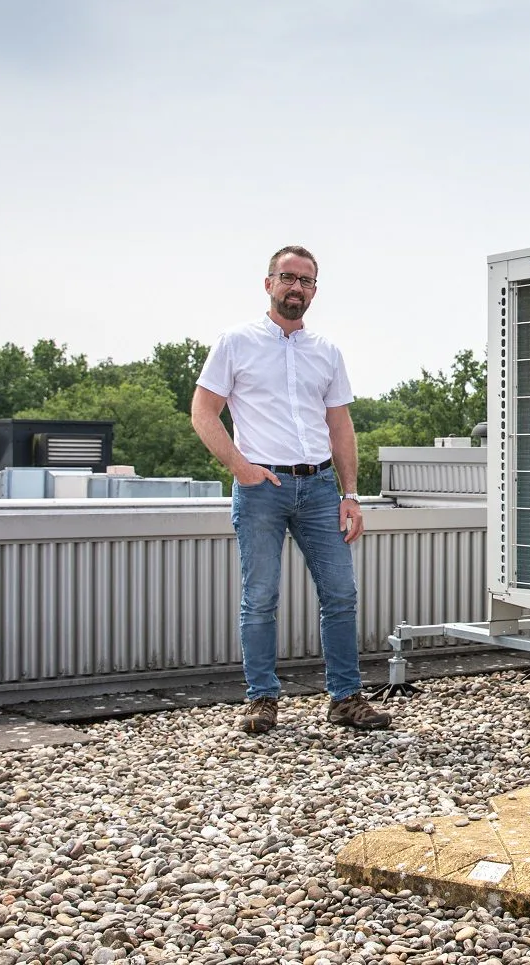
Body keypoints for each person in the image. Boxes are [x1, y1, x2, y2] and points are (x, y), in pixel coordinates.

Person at [191, 245, 390, 735]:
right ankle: (262, 699)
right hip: (263, 487)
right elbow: (202, 412)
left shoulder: (326, 351)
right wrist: (241, 468)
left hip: (321, 488)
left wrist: (351, 494)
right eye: (288, 278)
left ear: (314, 291)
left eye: (306, 281)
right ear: (268, 284)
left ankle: (345, 698)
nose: (296, 287)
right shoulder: (235, 342)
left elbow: (340, 426)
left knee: (341, 594)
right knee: (260, 597)